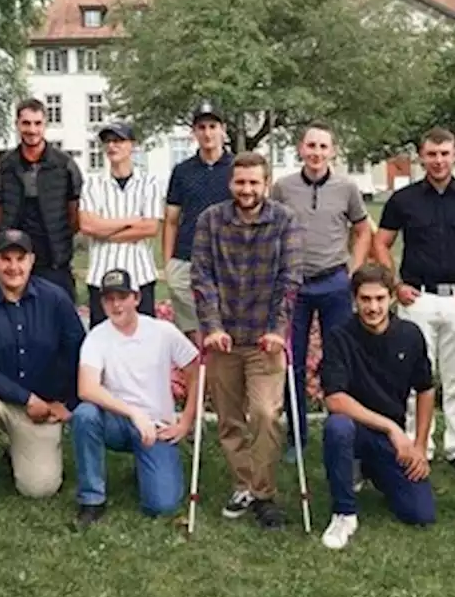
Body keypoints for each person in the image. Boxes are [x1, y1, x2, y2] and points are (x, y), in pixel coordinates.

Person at [372, 127, 455, 480]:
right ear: (421, 157)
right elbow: (381, 243)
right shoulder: (404, 200)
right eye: (431, 154)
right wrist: (394, 283)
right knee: (413, 377)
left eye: (445, 153)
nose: (438, 160)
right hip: (417, 297)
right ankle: (416, 445)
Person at [191, 151, 301, 530]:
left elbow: (290, 278)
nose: (247, 189)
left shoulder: (284, 221)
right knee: (229, 419)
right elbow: (202, 278)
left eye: (254, 182)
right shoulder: (210, 221)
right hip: (224, 339)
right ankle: (243, 484)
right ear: (231, 183)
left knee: (266, 415)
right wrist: (213, 325)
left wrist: (278, 327)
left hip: (264, 340)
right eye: (241, 182)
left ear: (266, 184)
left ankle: (264, 493)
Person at [0, 229, 86, 522]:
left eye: (20, 259)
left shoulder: (55, 300)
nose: (13, 267)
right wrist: (25, 397)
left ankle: (15, 452)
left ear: (32, 261)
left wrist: (68, 403)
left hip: (42, 407)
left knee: (40, 488)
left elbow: (78, 352)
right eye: (6, 259)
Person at [271, 121, 371, 460]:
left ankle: (340, 429)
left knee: (338, 360)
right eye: (310, 146)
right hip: (294, 285)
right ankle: (296, 437)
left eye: (323, 147)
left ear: (333, 151)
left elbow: (362, 230)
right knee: (292, 361)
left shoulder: (347, 188)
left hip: (334, 283)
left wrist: (352, 271)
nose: (316, 153)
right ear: (301, 149)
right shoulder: (282, 188)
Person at [318, 264, 437, 550]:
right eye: (366, 299)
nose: (373, 307)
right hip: (357, 428)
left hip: (389, 440)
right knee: (337, 426)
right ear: (354, 300)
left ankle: (374, 470)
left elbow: (426, 388)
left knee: (420, 514)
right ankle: (344, 513)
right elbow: (335, 399)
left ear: (392, 298)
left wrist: (419, 446)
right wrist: (393, 428)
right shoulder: (339, 336)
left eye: (380, 299)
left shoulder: (410, 334)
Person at [71, 268, 201, 527]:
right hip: (116, 422)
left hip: (156, 426)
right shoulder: (97, 337)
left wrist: (185, 421)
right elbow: (86, 388)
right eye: (109, 298)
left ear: (137, 298)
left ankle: (146, 466)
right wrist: (133, 413)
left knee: (161, 505)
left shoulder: (162, 332)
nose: (116, 305)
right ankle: (91, 499)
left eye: (122, 297)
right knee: (84, 414)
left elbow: (197, 370)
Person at [0, 98, 84, 300]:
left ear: (45, 125)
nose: (32, 129)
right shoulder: (4, 166)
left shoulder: (64, 165)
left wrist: (61, 240)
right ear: (17, 125)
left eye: (37, 123)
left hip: (54, 260)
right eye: (26, 123)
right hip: (14, 259)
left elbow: (74, 214)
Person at [79, 122, 164, 326]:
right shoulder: (93, 184)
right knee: (103, 342)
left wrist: (104, 230)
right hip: (102, 273)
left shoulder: (149, 183)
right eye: (108, 141)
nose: (112, 146)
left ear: (131, 145)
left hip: (139, 274)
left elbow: (150, 228)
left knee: (143, 339)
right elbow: (88, 226)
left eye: (118, 141)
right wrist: (130, 221)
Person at [162, 101, 233, 343]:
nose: (207, 133)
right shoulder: (182, 171)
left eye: (213, 126)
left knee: (224, 323)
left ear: (222, 130)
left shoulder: (236, 168)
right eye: (201, 127)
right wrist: (168, 261)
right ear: (194, 132)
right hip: (186, 256)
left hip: (228, 258)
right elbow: (171, 220)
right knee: (193, 330)